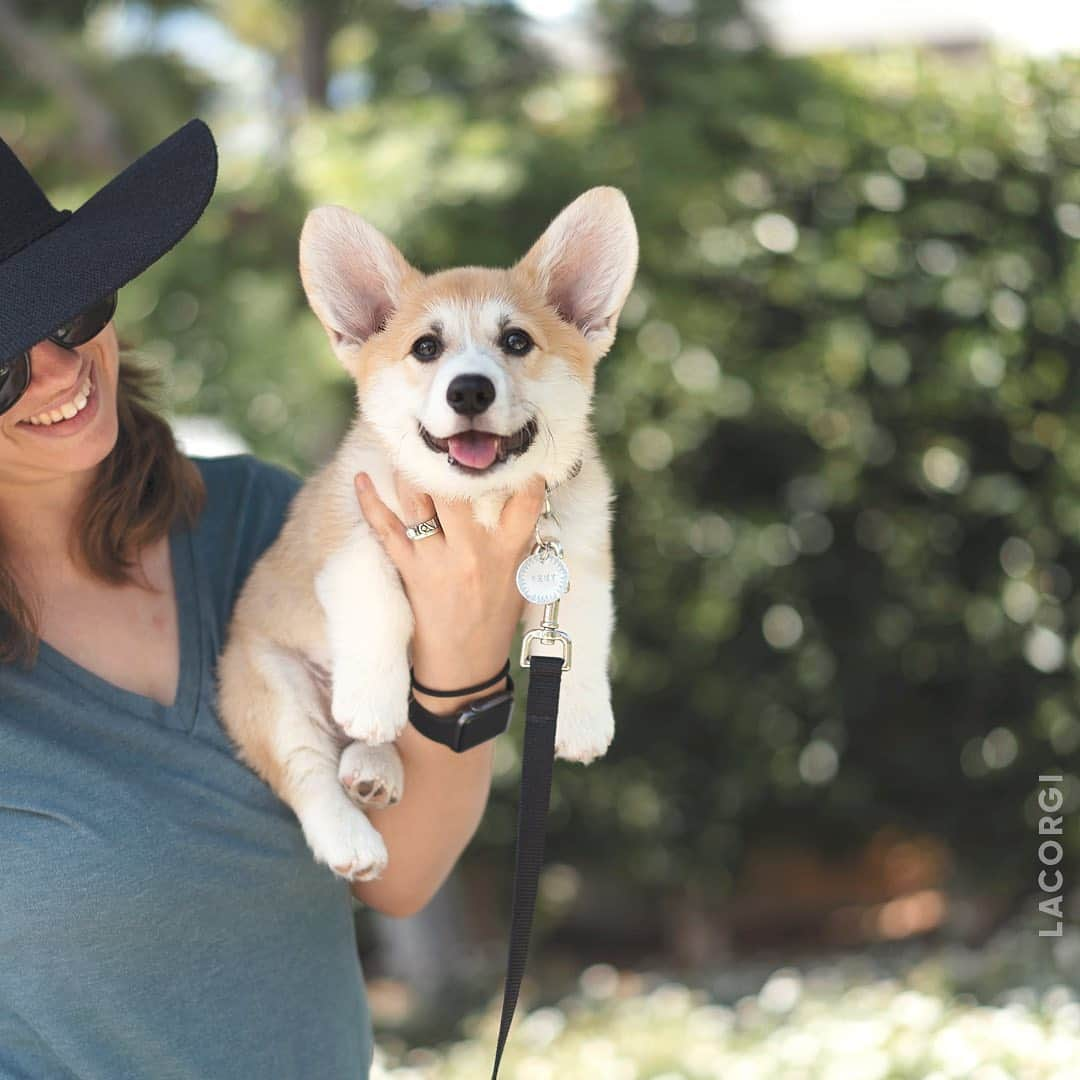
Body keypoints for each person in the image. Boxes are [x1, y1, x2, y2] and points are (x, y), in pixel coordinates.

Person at [0, 118, 545, 1079]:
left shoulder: (264, 521)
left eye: (69, 312)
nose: (58, 371)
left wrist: (469, 645)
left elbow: (402, 876)